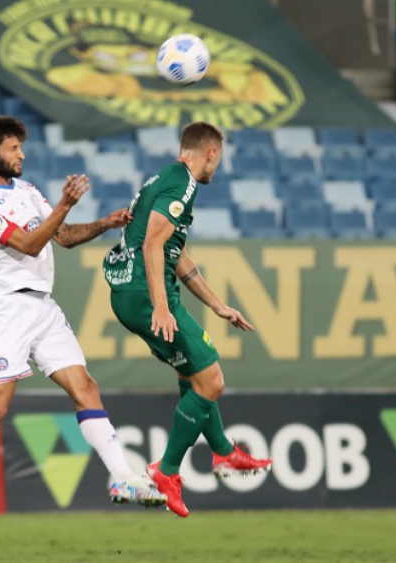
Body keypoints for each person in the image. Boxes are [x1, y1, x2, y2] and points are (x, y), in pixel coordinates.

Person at [0, 116, 166, 551]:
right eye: (13, 148)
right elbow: (26, 244)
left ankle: (123, 479)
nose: (21, 154)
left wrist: (104, 223)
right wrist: (64, 203)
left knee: (85, 387)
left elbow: (60, 236)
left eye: (21, 147)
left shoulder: (26, 191)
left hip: (43, 307)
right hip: (11, 308)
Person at [102, 121, 272, 518]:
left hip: (133, 293)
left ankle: (224, 453)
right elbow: (153, 243)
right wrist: (161, 306)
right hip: (146, 295)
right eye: (220, 159)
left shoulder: (164, 177)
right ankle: (167, 470)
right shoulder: (184, 185)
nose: (218, 167)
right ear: (211, 153)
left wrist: (216, 305)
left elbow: (174, 253)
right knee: (212, 379)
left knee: (192, 376)